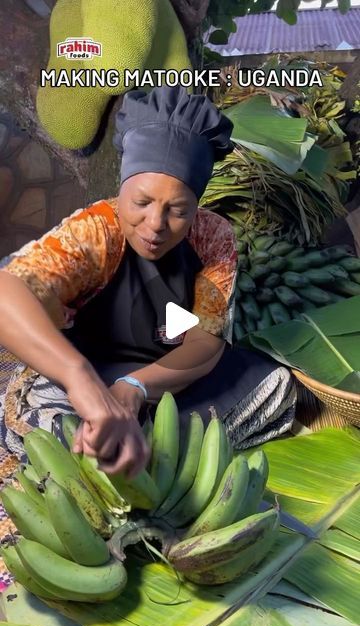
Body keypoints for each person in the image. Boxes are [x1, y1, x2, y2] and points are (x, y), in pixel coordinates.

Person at [0, 86, 296, 479]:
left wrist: (136, 388)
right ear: (122, 189)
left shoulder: (213, 236)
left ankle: (144, 451)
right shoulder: (97, 230)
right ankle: (143, 453)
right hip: (89, 369)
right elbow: (8, 291)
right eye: (142, 203)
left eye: (177, 210)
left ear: (196, 208)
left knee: (273, 385)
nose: (156, 225)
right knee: (53, 418)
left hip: (165, 373)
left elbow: (204, 342)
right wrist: (82, 380)